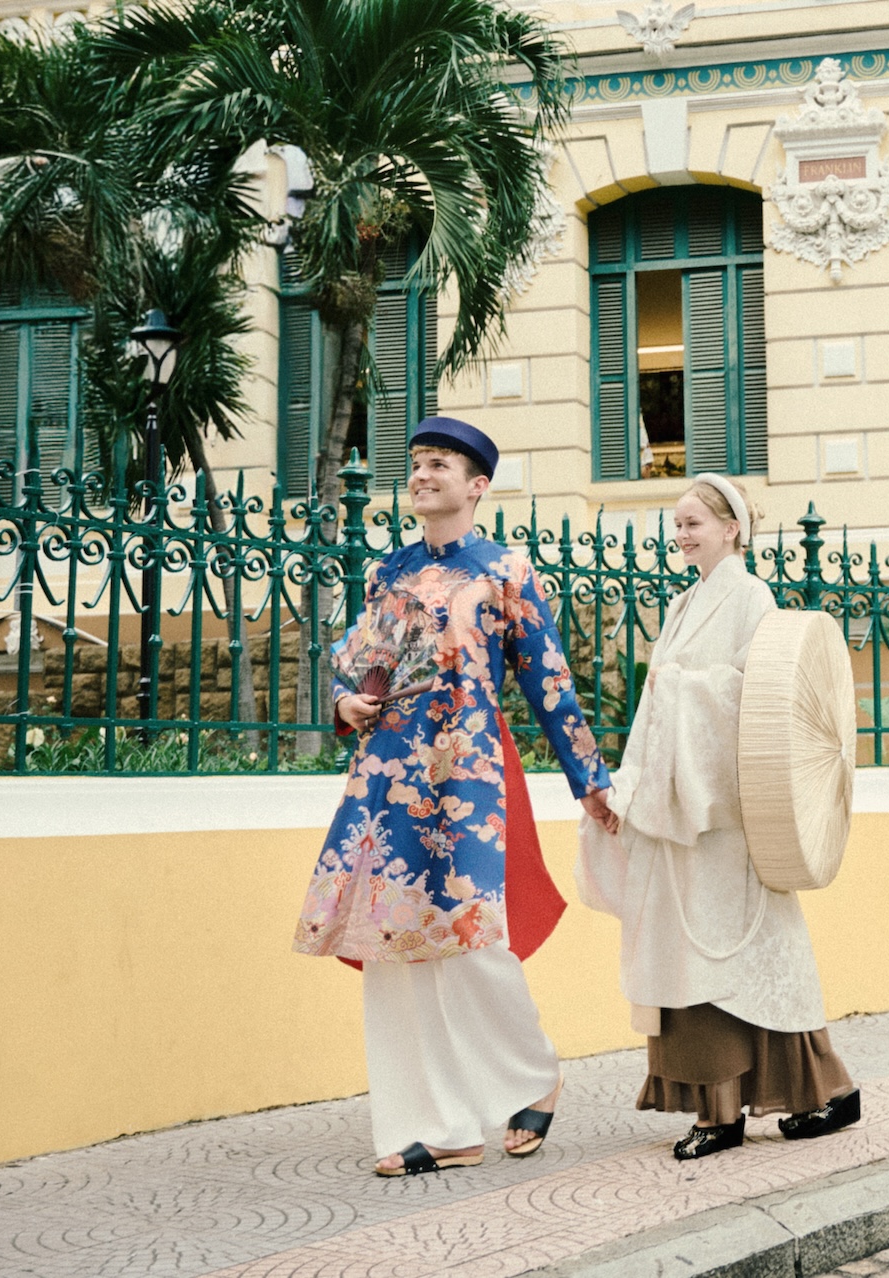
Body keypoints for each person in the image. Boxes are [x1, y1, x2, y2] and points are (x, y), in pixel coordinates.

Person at [292, 416, 620, 1177]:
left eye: (439, 463)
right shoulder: (387, 575)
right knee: (392, 944)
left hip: (464, 775)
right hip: (384, 778)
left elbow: (550, 683)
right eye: (416, 463)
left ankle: (530, 1074)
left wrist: (591, 781)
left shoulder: (505, 571)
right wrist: (345, 706)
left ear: (476, 485)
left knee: (472, 939)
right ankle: (439, 1126)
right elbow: (351, 667)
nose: (422, 474)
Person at [578, 474, 860, 1160]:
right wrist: (631, 786)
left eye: (693, 523)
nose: (681, 535)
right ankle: (746, 1102)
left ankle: (770, 1103)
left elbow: (756, 699)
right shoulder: (682, 603)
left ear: (732, 528)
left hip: (724, 815)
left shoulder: (751, 596)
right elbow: (653, 712)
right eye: (676, 525)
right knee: (691, 955)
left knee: (742, 955)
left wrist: (677, 689)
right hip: (676, 807)